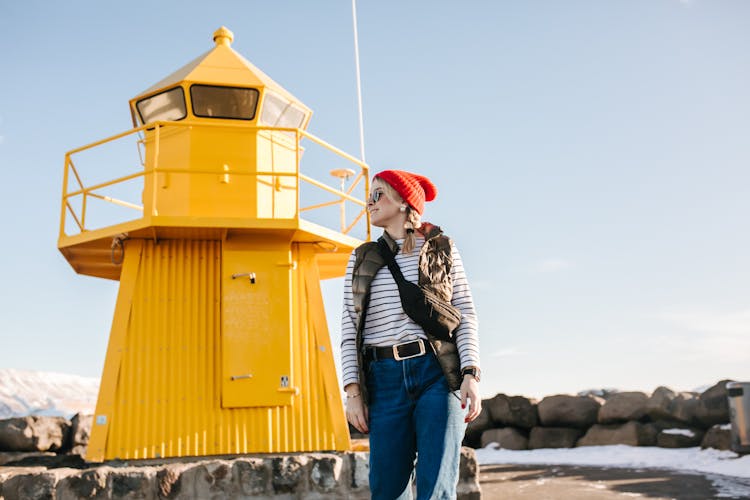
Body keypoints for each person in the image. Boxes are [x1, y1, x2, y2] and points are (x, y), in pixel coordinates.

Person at [340, 169, 481, 500]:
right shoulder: (361, 258)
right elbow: (349, 328)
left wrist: (471, 373)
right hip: (383, 379)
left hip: (438, 373)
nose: (369, 202)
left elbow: (466, 313)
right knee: (387, 490)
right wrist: (353, 391)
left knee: (436, 489)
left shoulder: (442, 248)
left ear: (404, 202)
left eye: (378, 194)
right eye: (369, 195)